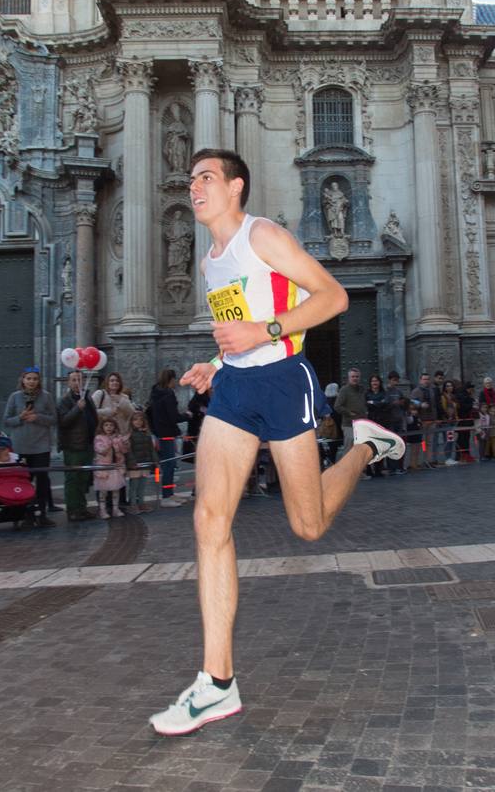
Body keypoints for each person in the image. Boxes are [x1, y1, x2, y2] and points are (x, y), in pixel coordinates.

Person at [150, 148, 404, 736]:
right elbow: (238, 327)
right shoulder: (212, 260)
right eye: (191, 180)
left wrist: (261, 332)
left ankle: (364, 444)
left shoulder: (262, 235)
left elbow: (333, 298)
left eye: (206, 178)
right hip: (237, 389)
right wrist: (217, 360)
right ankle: (217, 682)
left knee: (308, 525)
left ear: (236, 186)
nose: (195, 187)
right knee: (209, 521)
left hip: (287, 382)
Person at [2, 367, 57, 527]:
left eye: (35, 379)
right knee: (24, 481)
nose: (32, 382)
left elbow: (53, 418)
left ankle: (42, 513)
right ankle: (26, 513)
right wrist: (20, 417)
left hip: (41, 445)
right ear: (23, 380)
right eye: (29, 379)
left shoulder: (46, 397)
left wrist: (37, 417)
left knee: (42, 480)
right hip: (21, 445)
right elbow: (6, 420)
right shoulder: (15, 397)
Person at [57, 369, 98, 521]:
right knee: (73, 479)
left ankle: (82, 507)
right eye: (73, 380)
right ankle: (72, 509)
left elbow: (93, 417)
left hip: (87, 443)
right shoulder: (64, 400)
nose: (77, 383)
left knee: (84, 478)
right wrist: (77, 409)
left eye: (79, 380)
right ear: (68, 382)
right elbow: (63, 421)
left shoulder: (88, 397)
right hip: (73, 446)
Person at [147, 368, 189, 502]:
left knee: (167, 464)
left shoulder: (155, 393)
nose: (176, 382)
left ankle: (169, 493)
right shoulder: (168, 394)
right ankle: (167, 496)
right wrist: (187, 415)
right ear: (171, 380)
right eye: (175, 379)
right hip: (167, 433)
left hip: (159, 432)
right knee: (169, 465)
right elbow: (173, 417)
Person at [91, 417, 128, 519]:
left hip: (115, 466)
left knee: (116, 489)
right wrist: (110, 443)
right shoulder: (99, 438)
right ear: (102, 427)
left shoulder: (117, 438)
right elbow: (101, 451)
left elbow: (124, 450)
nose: (109, 427)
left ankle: (116, 509)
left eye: (111, 425)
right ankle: (102, 510)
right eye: (106, 425)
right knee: (103, 491)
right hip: (104, 467)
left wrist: (122, 442)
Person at [126, 409, 157, 513]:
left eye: (140, 420)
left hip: (145, 463)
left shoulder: (146, 434)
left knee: (142, 486)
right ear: (131, 422)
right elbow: (128, 450)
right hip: (134, 465)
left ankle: (141, 503)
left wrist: (155, 460)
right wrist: (131, 462)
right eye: (135, 420)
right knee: (134, 486)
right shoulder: (129, 435)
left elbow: (151, 449)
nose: (138, 422)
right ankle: (133, 504)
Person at [332, 368, 366, 454]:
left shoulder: (362, 389)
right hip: (349, 425)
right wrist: (349, 413)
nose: (355, 378)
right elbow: (337, 406)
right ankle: (348, 467)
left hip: (361, 424)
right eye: (353, 376)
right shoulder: (344, 390)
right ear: (349, 378)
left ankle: (361, 467)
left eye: (357, 376)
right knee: (349, 449)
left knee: (360, 449)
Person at [363, 374, 390, 478]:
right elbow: (366, 405)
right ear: (370, 383)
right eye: (373, 381)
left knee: (380, 447)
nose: (374, 383)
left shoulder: (384, 393)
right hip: (370, 423)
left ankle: (379, 469)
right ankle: (369, 469)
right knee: (370, 447)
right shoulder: (367, 394)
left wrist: (373, 403)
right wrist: (378, 403)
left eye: (376, 381)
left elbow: (385, 404)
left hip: (381, 422)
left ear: (380, 382)